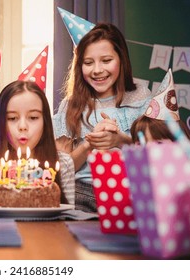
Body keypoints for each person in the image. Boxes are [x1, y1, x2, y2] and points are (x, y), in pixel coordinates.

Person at [52, 23, 152, 212]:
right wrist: (89, 144)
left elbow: (156, 158)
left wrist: (121, 140)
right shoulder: (70, 106)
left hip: (131, 194)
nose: (97, 70)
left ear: (121, 60)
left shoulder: (142, 97)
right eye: (88, 63)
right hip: (82, 193)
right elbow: (63, 171)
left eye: (106, 60)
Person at [0, 80, 75, 206]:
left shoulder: (63, 163)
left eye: (33, 117)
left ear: (45, 122)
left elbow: (69, 219)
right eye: (12, 118)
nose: (23, 126)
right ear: (1, 122)